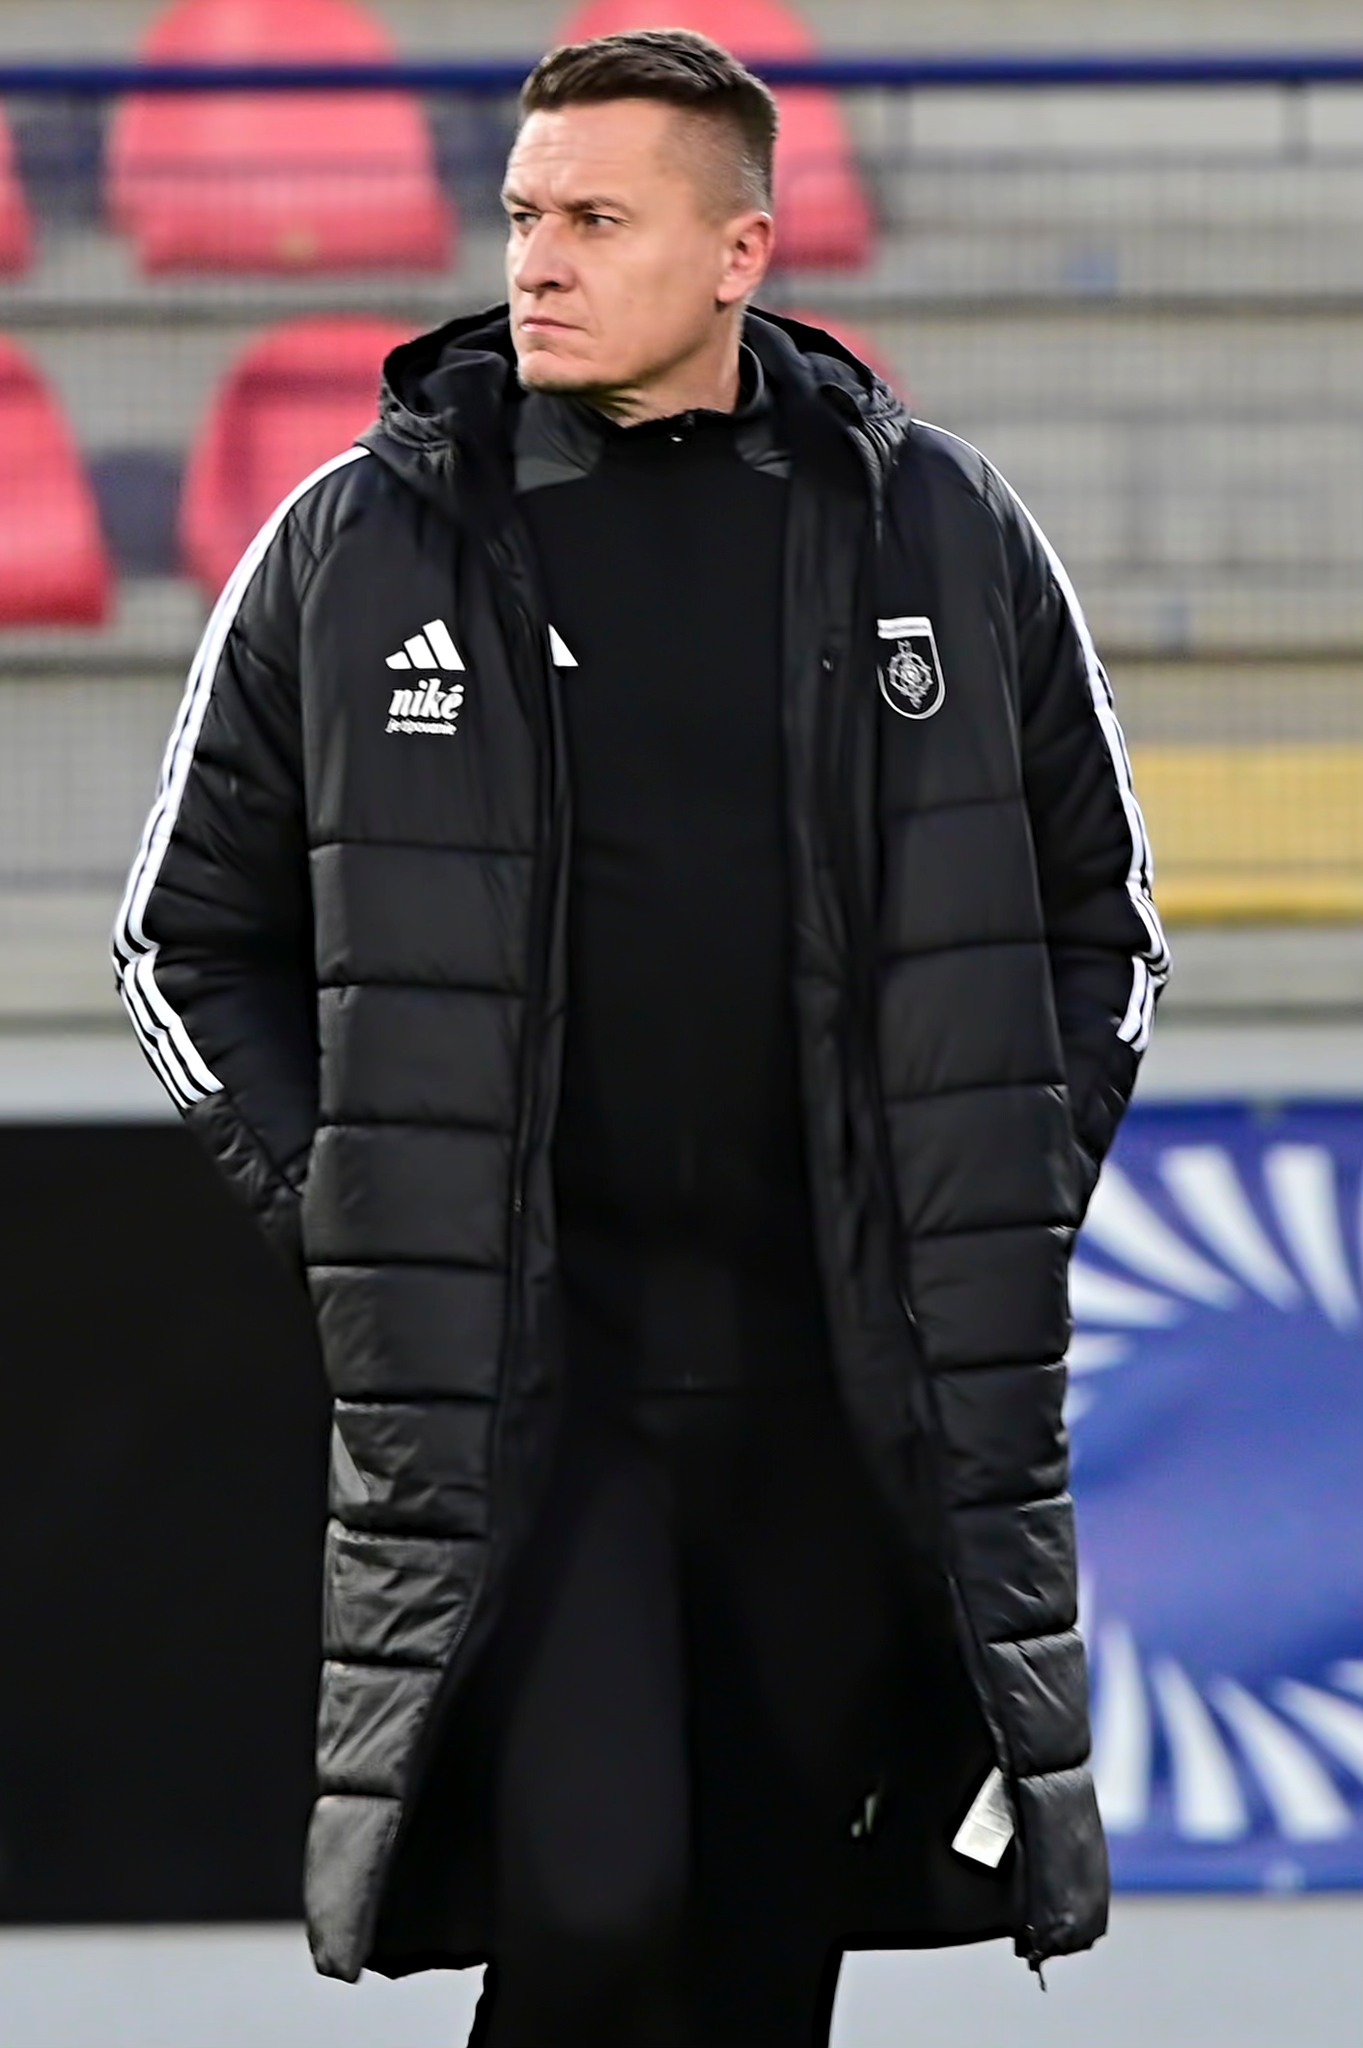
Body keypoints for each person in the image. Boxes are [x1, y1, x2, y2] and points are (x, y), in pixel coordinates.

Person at [113, 27, 1168, 2047]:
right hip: (543, 1400)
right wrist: (363, 1210)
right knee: (595, 1909)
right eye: (524, 215)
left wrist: (1002, 1190)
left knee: (766, 1955)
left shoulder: (941, 529)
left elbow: (1100, 925)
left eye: (596, 219)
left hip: (839, 1397)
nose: (537, 259)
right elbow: (183, 943)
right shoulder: (357, 541)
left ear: (740, 250)